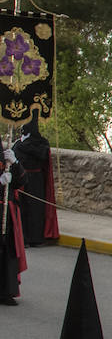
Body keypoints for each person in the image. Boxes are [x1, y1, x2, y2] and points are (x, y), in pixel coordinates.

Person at [12, 113, 59, 247]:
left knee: (35, 210)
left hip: (36, 180)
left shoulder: (40, 143)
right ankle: (25, 239)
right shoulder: (21, 143)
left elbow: (42, 156)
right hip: (23, 180)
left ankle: (35, 238)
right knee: (24, 209)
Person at [0, 142, 27, 306]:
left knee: (8, 251)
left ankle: (5, 291)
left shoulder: (6, 158)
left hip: (7, 213)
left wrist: (15, 163)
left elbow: (23, 181)